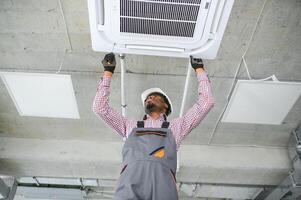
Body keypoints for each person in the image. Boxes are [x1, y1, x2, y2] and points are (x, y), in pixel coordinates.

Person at [92, 53, 215, 200]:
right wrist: (108, 72)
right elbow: (100, 108)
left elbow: (206, 103)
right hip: (131, 179)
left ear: (165, 105)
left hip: (161, 182)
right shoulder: (129, 125)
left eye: (154, 96)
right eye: (147, 99)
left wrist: (199, 69)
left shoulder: (176, 127)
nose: (148, 98)